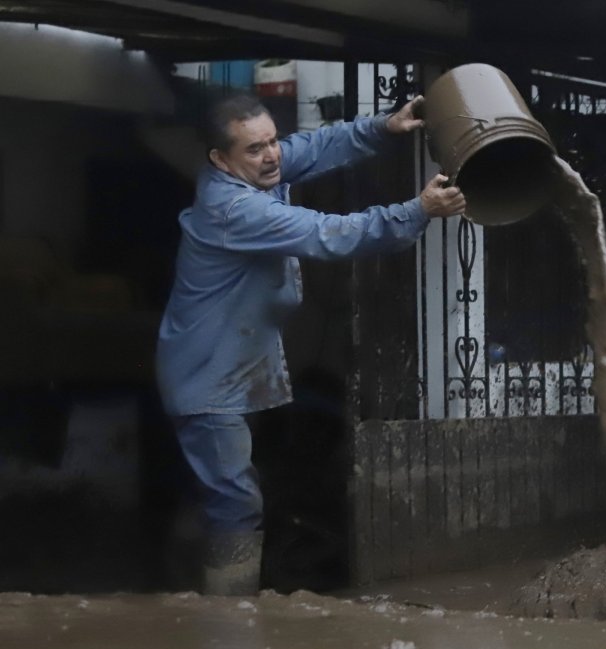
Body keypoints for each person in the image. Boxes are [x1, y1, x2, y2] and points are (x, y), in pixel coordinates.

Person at [156, 93, 465, 595]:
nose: (272, 155)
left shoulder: (258, 168)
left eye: (272, 141)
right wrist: (419, 209)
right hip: (207, 379)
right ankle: (227, 618)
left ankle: (204, 597)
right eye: (256, 149)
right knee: (235, 501)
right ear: (220, 159)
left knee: (228, 493)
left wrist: (383, 127)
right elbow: (331, 235)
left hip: (234, 367)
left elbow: (316, 145)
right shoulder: (232, 207)